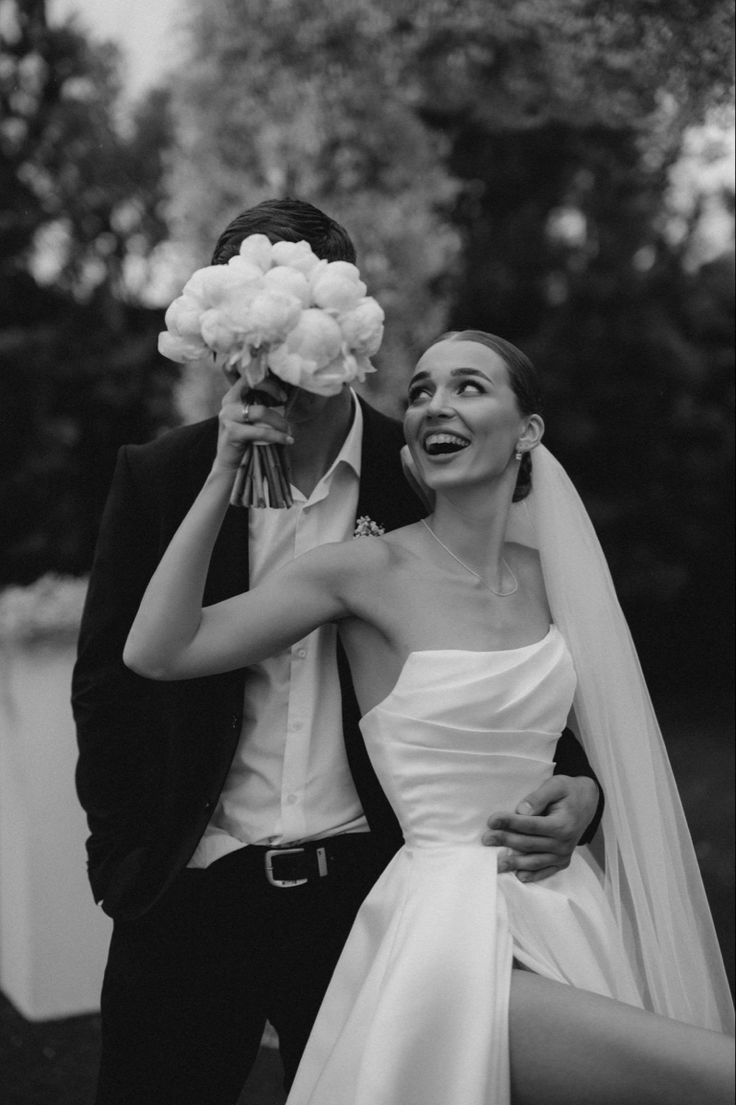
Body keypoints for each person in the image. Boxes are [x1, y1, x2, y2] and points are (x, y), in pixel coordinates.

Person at [72, 201, 602, 1105]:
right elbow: (111, 680)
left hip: (368, 885)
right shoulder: (163, 475)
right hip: (194, 886)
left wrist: (582, 784)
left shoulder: (430, 463)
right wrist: (124, 852)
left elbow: (512, 647)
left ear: (343, 323)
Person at [124, 329, 734, 1105]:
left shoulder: (553, 577)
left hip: (566, 905)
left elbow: (589, 741)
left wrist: (585, 796)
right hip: (447, 928)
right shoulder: (363, 569)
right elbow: (159, 649)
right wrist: (223, 473)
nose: (435, 405)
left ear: (529, 431)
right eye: (419, 391)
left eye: (468, 386)